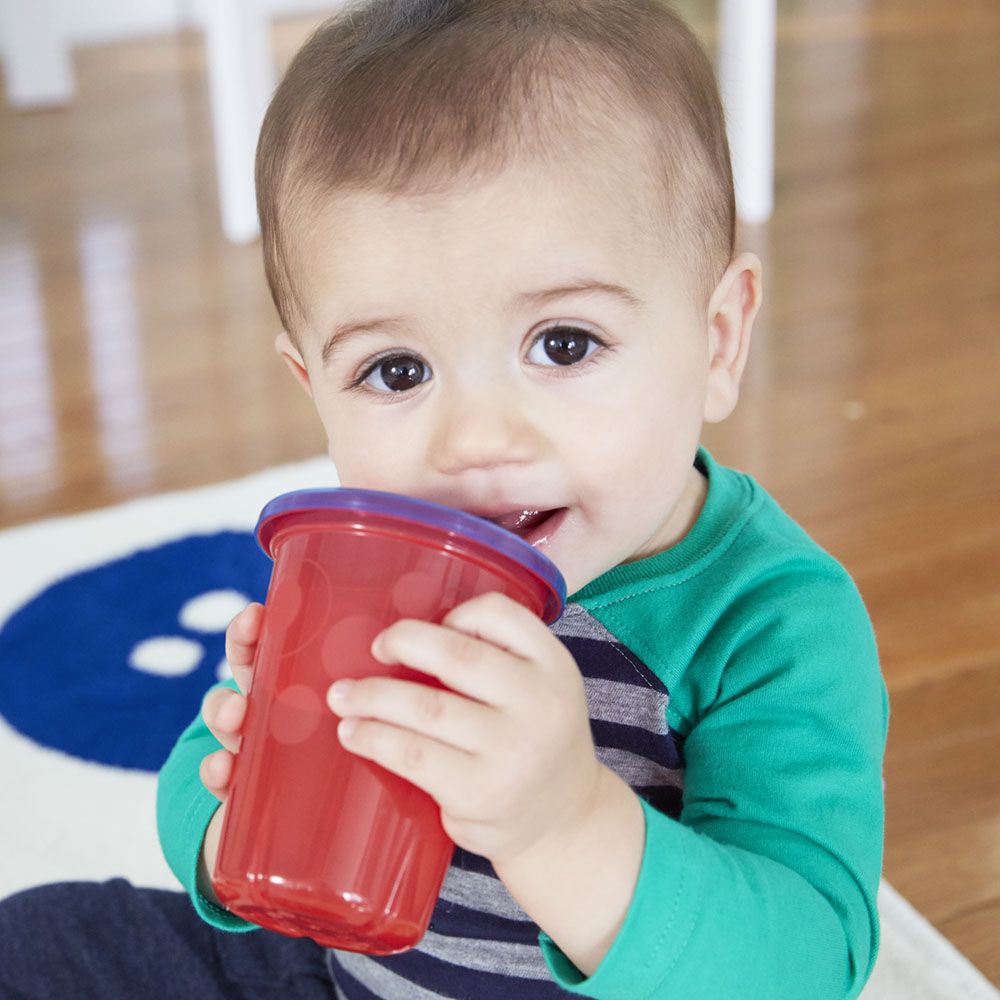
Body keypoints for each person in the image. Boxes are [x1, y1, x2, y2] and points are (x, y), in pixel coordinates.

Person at [0, 1, 888, 997]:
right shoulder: (369, 572)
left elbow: (808, 962)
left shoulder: (769, 621)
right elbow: (199, 766)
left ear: (717, 340)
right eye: (394, 370)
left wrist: (564, 824)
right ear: (313, 390)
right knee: (33, 941)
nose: (472, 443)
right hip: (339, 970)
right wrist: (232, 810)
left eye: (563, 344)